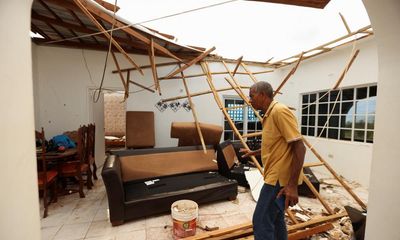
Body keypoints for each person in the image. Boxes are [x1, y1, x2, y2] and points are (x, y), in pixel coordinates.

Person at [240, 81, 306, 240]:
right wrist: (253, 152)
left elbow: (299, 146)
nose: (249, 100)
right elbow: (276, 144)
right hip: (274, 176)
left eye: (252, 96)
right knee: (275, 220)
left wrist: (292, 185)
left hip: (279, 180)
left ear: (262, 95)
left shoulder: (279, 111)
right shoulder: (269, 114)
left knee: (261, 221)